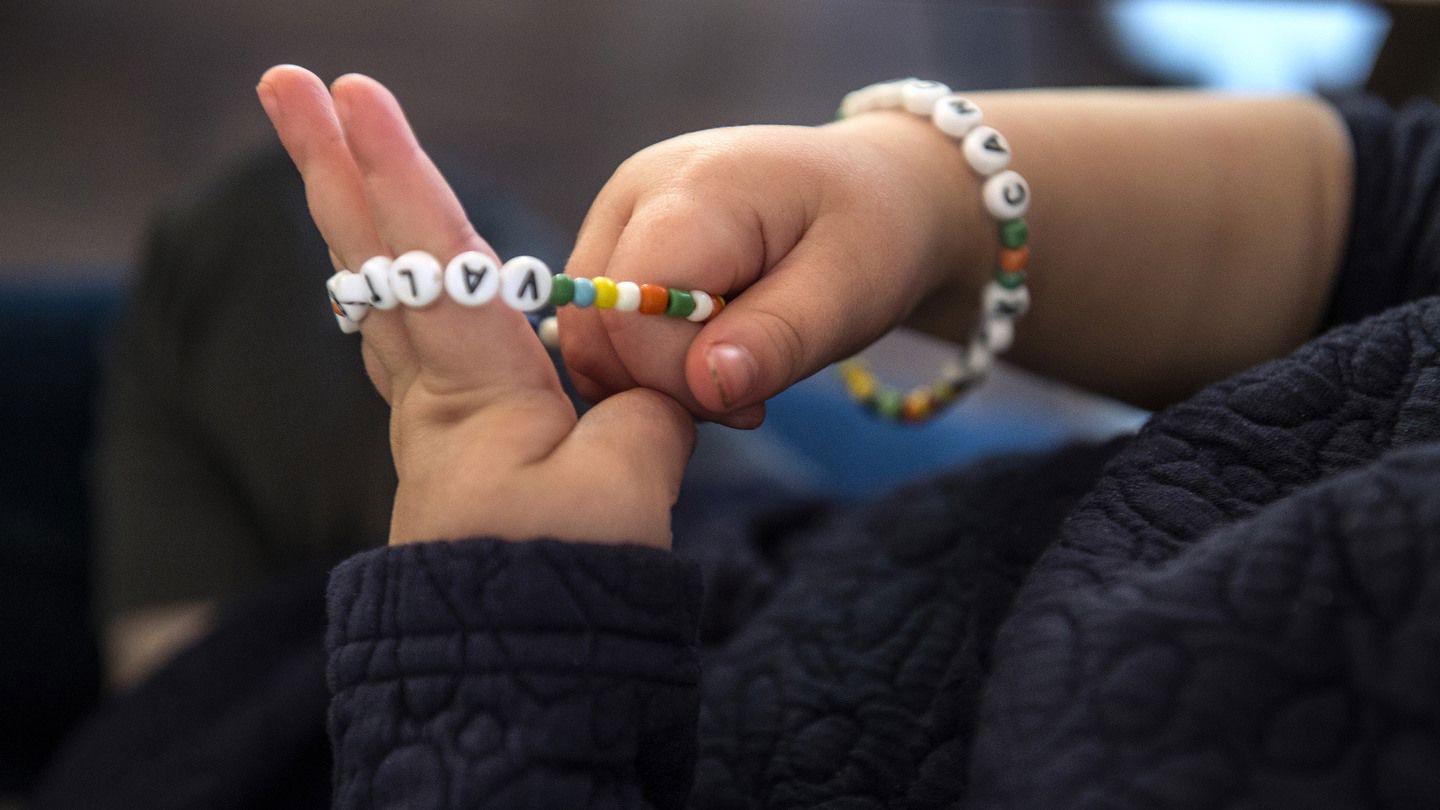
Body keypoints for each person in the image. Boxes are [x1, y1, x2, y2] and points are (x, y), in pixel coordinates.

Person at [36, 63, 1439, 807]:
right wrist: (924, 195)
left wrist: (499, 650)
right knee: (263, 236)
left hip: (512, 710)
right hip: (844, 572)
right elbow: (1392, 207)